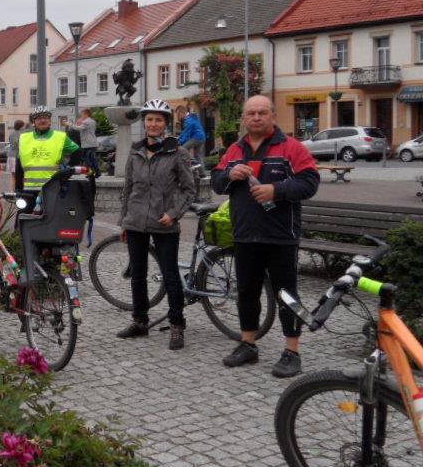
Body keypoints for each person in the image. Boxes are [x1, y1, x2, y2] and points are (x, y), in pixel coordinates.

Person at [211, 95, 320, 377]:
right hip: (245, 234)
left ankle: (292, 351)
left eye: (262, 113)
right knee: (247, 293)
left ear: (273, 116)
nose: (256, 117)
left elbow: (310, 183)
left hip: (281, 236)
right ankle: (248, 344)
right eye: (251, 113)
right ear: (244, 118)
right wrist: (230, 175)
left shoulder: (291, 147)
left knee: (287, 295)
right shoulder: (235, 149)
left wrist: (277, 190)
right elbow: (216, 182)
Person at [116, 99, 196, 350]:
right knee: (137, 275)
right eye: (149, 119)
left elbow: (189, 189)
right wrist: (124, 222)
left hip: (164, 222)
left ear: (166, 123)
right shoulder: (135, 151)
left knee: (170, 275)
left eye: (158, 120)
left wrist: (174, 213)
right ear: (144, 122)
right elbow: (128, 188)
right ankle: (140, 321)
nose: (153, 124)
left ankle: (176, 324)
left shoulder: (178, 153)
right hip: (136, 222)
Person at [14, 105, 80, 195]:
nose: (43, 120)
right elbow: (19, 164)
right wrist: (18, 188)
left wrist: (67, 171)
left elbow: (77, 151)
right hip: (30, 188)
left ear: (49, 120)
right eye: (39, 118)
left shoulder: (60, 137)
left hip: (53, 188)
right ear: (34, 121)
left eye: (45, 117)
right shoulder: (24, 138)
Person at [178, 106, 208, 175]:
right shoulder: (192, 117)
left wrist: (179, 142)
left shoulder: (188, 121)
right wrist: (179, 138)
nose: (179, 117)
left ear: (183, 112)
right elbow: (185, 132)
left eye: (179, 115)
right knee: (198, 155)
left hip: (196, 137)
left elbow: (186, 135)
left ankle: (194, 162)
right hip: (202, 137)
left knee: (182, 148)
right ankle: (202, 173)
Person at [74, 108, 99, 174]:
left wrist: (69, 124)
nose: (81, 116)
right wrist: (79, 122)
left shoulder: (87, 122)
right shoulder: (92, 121)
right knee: (91, 159)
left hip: (88, 144)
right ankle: (96, 172)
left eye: (82, 114)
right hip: (91, 143)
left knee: (86, 159)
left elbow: (77, 128)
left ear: (86, 114)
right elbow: (80, 126)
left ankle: (92, 172)